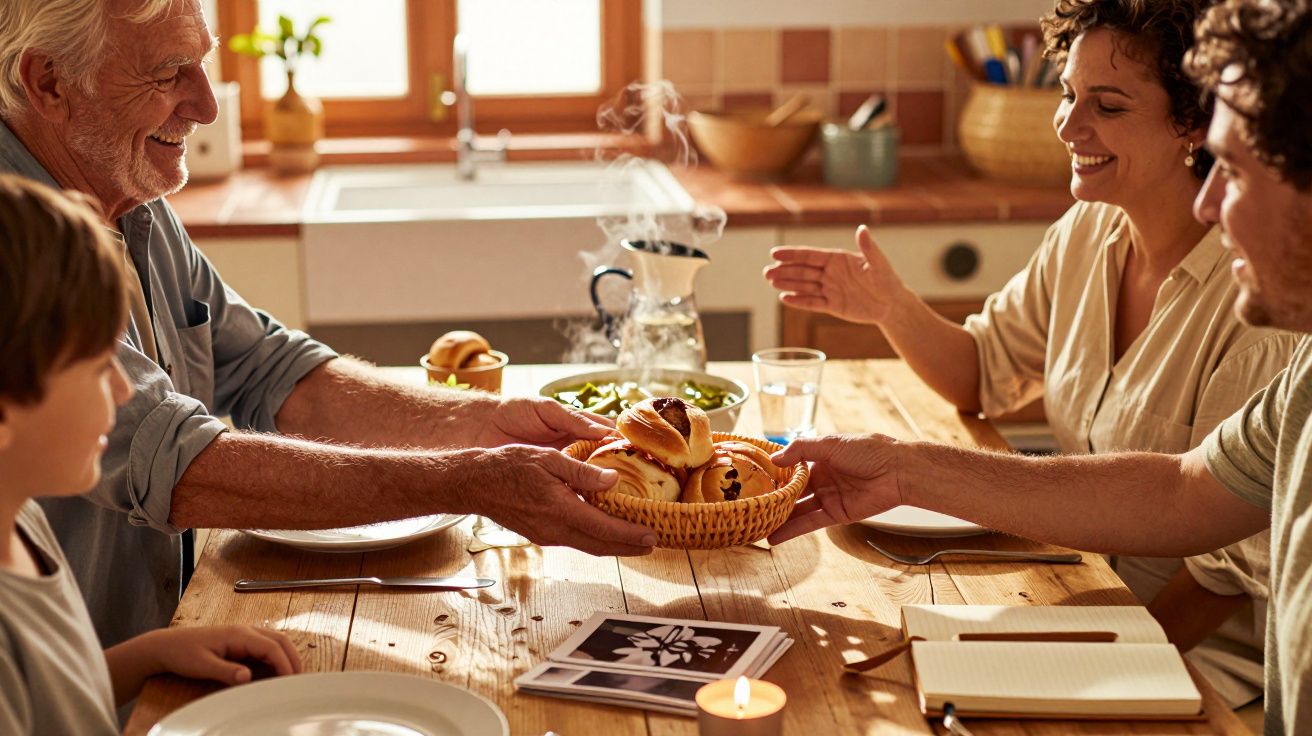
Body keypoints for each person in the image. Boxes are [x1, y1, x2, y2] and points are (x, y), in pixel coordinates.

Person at [0, 0, 654, 651]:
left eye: (202, 65)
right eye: (169, 73)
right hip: (67, 686)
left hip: (149, 653)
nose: (207, 106)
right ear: (50, 82)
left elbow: (268, 368)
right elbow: (176, 465)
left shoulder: (124, 191)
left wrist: (476, 422)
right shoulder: (17, 244)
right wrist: (469, 481)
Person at [766, 0, 1312, 731]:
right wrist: (894, 332)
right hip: (1088, 601)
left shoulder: (1267, 313)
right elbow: (1176, 487)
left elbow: (1220, 566)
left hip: (1185, 660)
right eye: (1067, 94)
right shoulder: (1091, 232)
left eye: (1107, 106)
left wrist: (1088, 656)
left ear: (1192, 123)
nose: (1067, 124)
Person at [0, 174, 302, 735]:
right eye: (98, 368)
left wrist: (151, 656)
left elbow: (54, 695)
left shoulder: (21, 521)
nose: (124, 390)